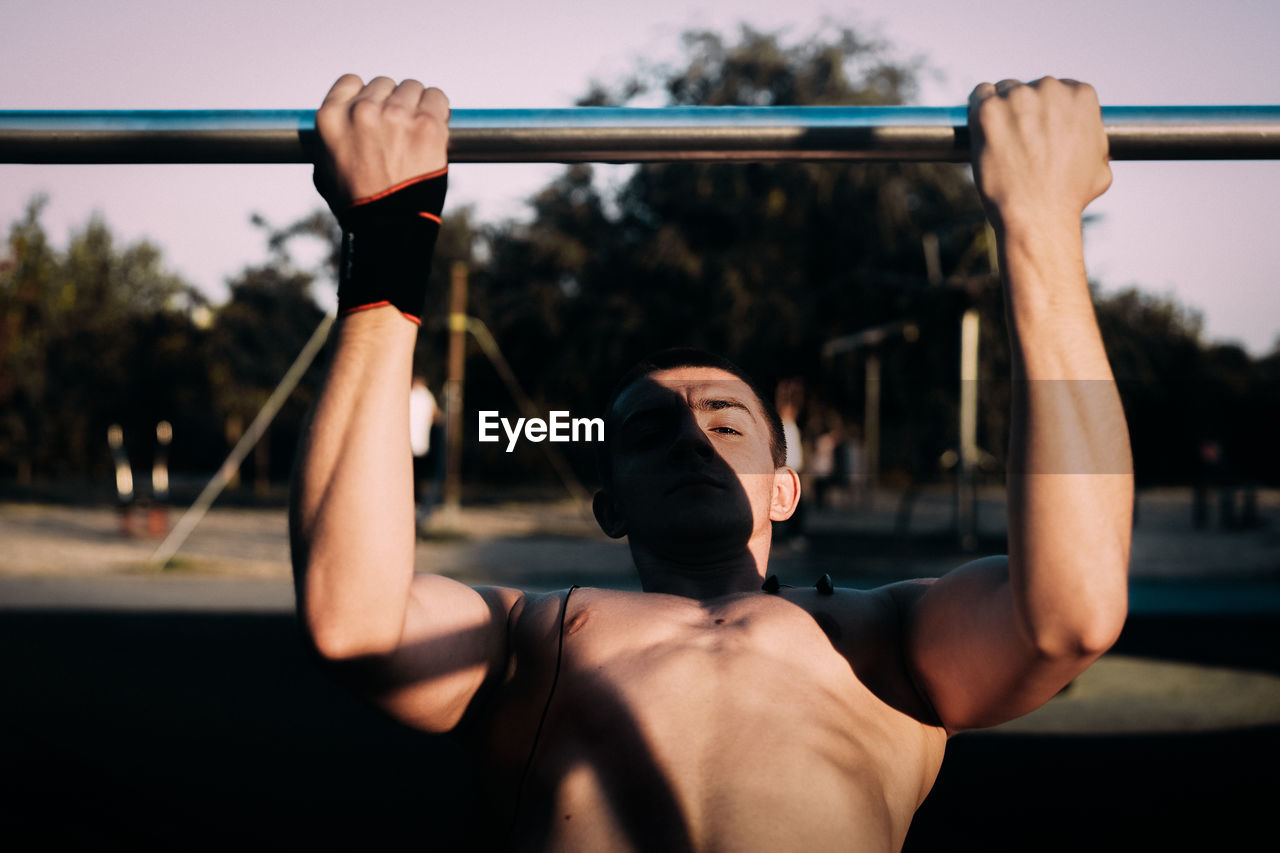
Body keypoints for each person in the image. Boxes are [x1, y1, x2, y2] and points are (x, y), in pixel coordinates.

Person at [291, 74, 1132, 851]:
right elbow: (354, 620)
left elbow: (1075, 608)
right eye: (652, 431)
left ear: (785, 487)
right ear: (609, 504)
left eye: (726, 423)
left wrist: (1040, 228)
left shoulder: (894, 638)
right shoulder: (530, 635)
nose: (692, 434)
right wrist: (387, 236)